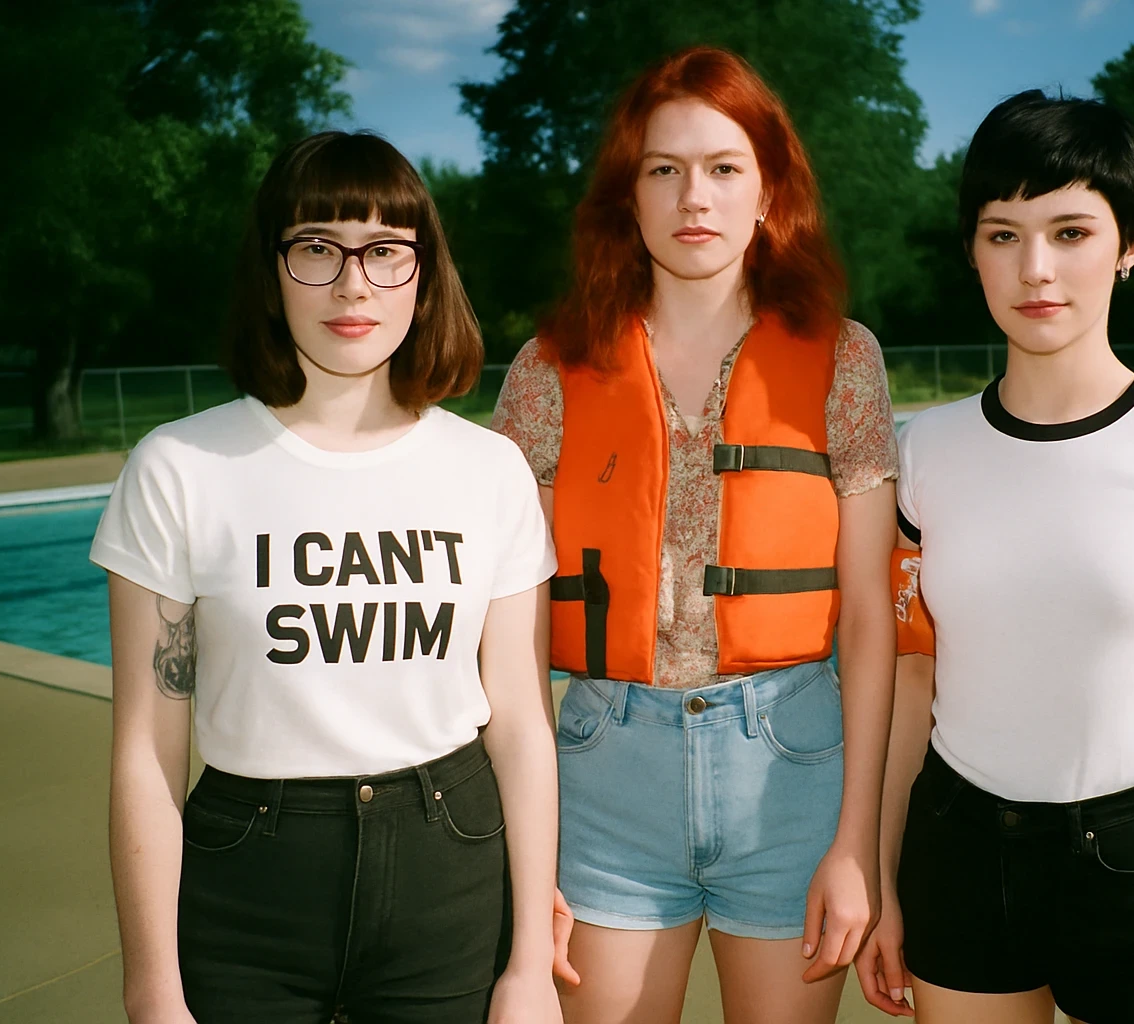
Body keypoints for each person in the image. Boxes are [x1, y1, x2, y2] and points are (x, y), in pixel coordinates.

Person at [96, 131, 563, 1024]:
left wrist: (530, 967)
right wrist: (153, 987)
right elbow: (145, 753)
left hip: (450, 864)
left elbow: (520, 729)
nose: (353, 283)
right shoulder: (180, 467)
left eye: (385, 251)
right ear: (271, 269)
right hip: (248, 878)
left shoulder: (488, 468)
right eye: (317, 248)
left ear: (424, 273)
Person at [856, 91, 1134, 1024]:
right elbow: (910, 677)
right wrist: (884, 877)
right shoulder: (925, 450)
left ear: (1131, 243)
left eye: (1069, 231)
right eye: (1002, 234)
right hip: (957, 850)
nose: (1036, 269)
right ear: (971, 248)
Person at [491, 46, 899, 1024]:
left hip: (795, 771)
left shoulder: (846, 360)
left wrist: (858, 845)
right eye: (663, 170)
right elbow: (502, 642)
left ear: (770, 192)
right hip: (602, 774)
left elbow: (873, 624)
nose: (693, 197)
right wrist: (529, 851)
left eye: (723, 168)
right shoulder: (548, 371)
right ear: (626, 197)